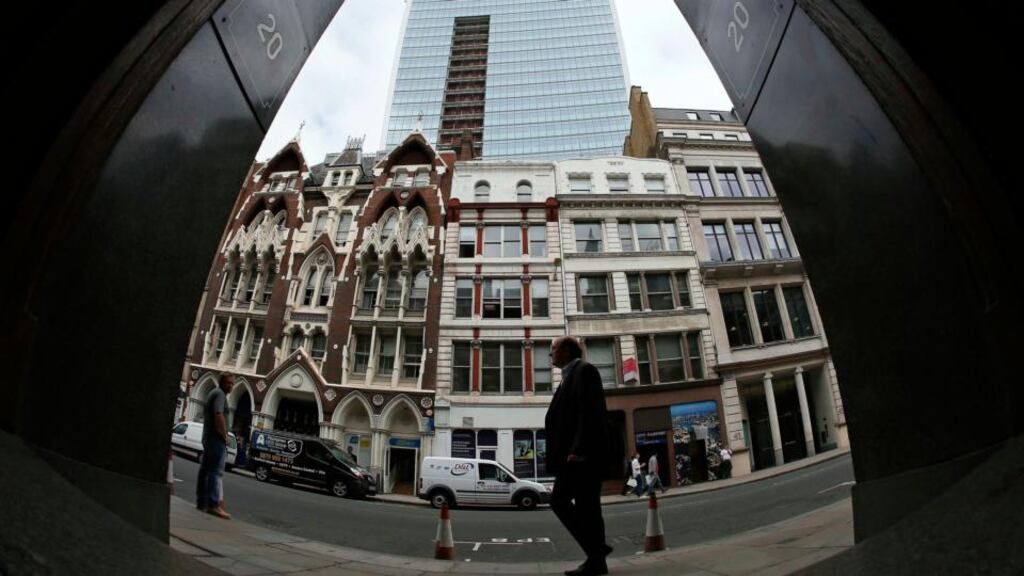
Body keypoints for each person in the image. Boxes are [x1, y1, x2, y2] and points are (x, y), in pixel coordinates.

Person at [545, 337, 613, 576]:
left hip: (582, 457)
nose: (549, 354)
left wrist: (578, 449)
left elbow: (590, 412)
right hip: (575, 456)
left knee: (559, 501)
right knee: (589, 509)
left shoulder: (585, 371)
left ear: (565, 350)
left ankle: (597, 551)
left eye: (553, 349)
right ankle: (597, 560)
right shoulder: (567, 377)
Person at [196, 372, 234, 519]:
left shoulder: (214, 393)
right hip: (215, 438)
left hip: (209, 436)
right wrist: (224, 435)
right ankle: (214, 504)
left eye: (232, 383)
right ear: (222, 382)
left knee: (205, 468)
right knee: (215, 471)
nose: (231, 386)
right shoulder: (220, 395)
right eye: (228, 383)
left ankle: (202, 502)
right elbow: (219, 415)